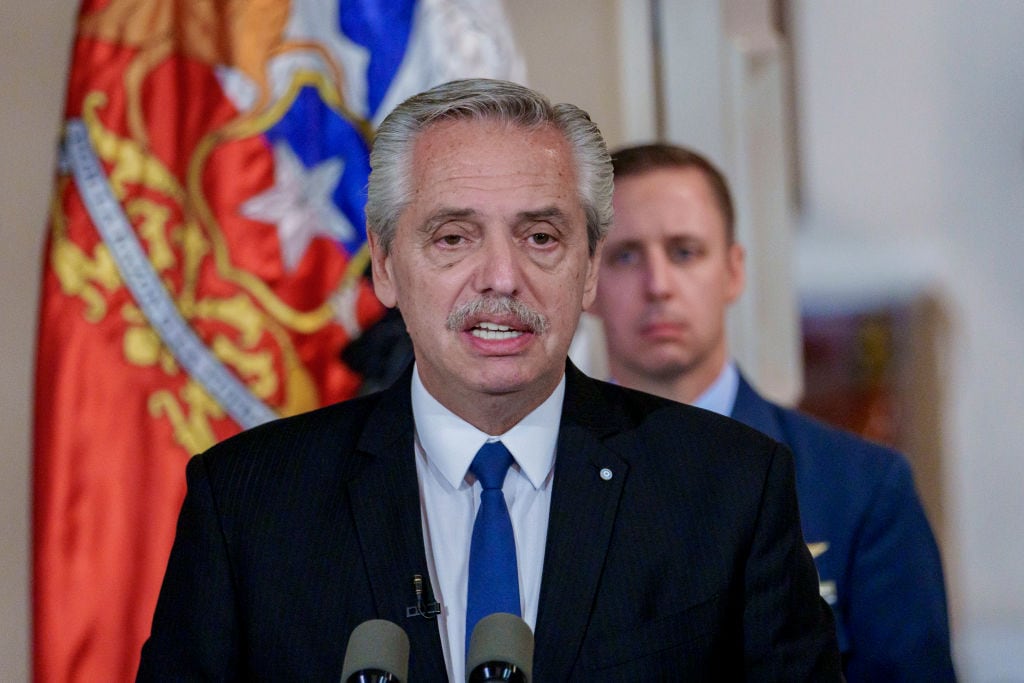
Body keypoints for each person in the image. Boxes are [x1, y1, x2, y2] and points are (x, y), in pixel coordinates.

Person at [137, 81, 840, 681]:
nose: (502, 278)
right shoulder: (248, 506)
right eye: (453, 237)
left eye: (540, 236)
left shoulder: (730, 488)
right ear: (384, 266)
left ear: (589, 268)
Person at [590, 142, 956, 681]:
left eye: (685, 251)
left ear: (734, 272)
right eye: (626, 255)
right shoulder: (545, 480)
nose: (658, 285)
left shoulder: (861, 490)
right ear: (586, 282)